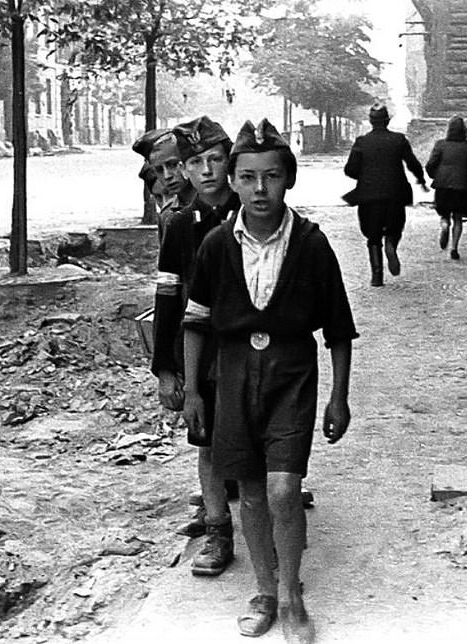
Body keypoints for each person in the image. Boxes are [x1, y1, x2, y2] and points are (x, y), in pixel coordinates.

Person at [183, 119, 357, 644]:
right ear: (232, 182)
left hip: (291, 374)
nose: (261, 190)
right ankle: (264, 591)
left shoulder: (309, 243)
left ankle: (292, 598)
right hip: (232, 376)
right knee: (254, 494)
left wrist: (339, 397)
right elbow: (195, 321)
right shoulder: (216, 244)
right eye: (249, 177)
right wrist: (193, 391)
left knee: (284, 490)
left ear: (289, 180)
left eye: (272, 176)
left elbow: (339, 329)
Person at [152, 115, 240, 575]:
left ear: (229, 162)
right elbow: (167, 297)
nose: (206, 171)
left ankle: (268, 521)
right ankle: (218, 531)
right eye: (195, 163)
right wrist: (167, 369)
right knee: (205, 441)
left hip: (248, 347)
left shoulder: (253, 210)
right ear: (184, 170)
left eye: (215, 159)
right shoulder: (180, 223)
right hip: (199, 347)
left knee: (254, 436)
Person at [343, 103, 427, 286]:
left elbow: (350, 170)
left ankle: (377, 275)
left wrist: (365, 174)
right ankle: (391, 245)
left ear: (371, 121)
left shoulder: (361, 142)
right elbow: (412, 163)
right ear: (387, 120)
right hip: (395, 193)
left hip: (368, 194)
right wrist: (421, 180)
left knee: (372, 236)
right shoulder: (399, 140)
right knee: (395, 227)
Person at [425, 115, 467, 260]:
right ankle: (454, 248)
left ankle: (444, 225)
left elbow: (430, 164)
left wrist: (436, 176)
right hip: (462, 185)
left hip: (442, 185)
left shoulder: (440, 145)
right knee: (458, 218)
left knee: (444, 214)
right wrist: (465, 171)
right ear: (465, 130)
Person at [133, 129, 197, 237]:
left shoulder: (213, 202)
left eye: (173, 165)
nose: (167, 176)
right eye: (159, 170)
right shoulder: (168, 216)